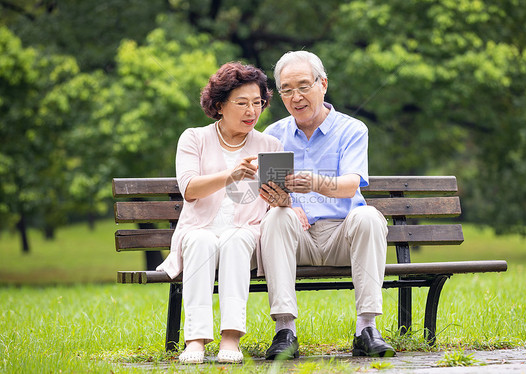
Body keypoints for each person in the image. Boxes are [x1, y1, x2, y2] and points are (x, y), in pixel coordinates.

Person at [258, 51, 396, 359]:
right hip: (297, 237)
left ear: (323, 84)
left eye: (304, 86)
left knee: (369, 216)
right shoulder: (273, 135)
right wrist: (283, 205)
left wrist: (314, 182)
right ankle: (285, 331)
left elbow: (350, 186)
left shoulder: (352, 130)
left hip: (342, 236)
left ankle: (366, 329)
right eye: (287, 90)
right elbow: (266, 193)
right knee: (276, 218)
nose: (296, 97)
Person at [156, 62, 283, 364]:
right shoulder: (193, 138)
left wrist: (281, 198)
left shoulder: (270, 144)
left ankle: (231, 338)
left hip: (245, 235)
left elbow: (277, 201)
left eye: (257, 103)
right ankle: (195, 340)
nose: (252, 111)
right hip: (199, 230)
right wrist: (231, 174)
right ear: (219, 105)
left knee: (235, 240)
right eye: (242, 103)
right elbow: (189, 189)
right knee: (202, 242)